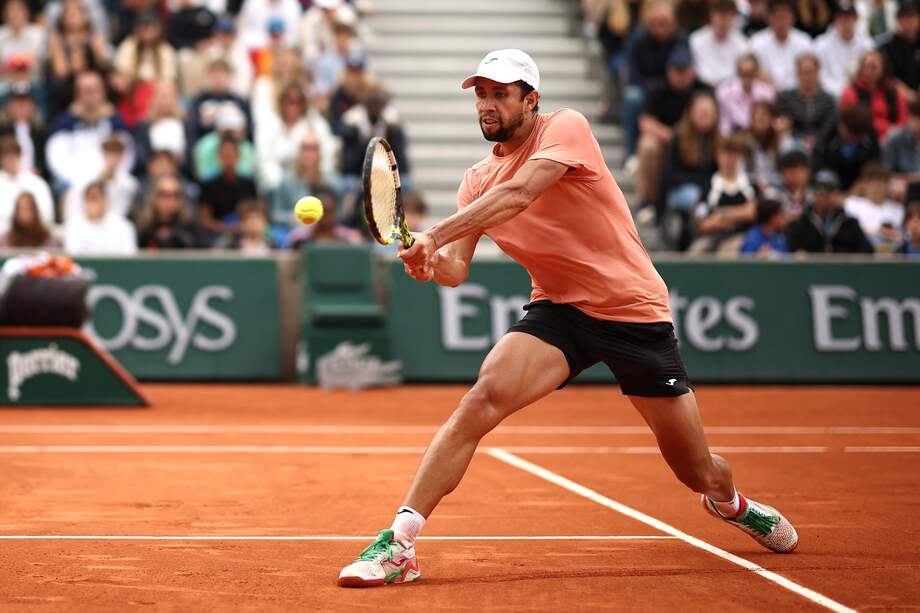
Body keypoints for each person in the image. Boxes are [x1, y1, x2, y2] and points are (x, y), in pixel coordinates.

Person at [337, 49, 799, 587]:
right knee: (478, 402)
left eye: (500, 93)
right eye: (481, 94)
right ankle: (400, 543)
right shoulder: (473, 181)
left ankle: (730, 502)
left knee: (694, 468)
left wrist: (434, 233)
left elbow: (520, 193)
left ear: (530, 100)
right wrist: (429, 262)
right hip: (558, 310)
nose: (487, 104)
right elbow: (456, 270)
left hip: (632, 311)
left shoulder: (567, 128)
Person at [635, 47, 711, 215]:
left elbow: (712, 117)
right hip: (667, 139)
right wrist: (673, 136)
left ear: (693, 70)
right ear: (669, 71)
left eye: (685, 71)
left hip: (696, 141)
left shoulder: (703, 90)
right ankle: (648, 200)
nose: (681, 76)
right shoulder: (657, 89)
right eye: (677, 71)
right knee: (648, 146)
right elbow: (645, 122)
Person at [45, 70, 134, 192]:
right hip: (74, 182)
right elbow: (55, 153)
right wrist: (71, 116)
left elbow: (127, 150)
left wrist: (111, 117)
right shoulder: (65, 123)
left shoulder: (115, 122)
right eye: (87, 91)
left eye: (95, 91)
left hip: (108, 181)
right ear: (77, 95)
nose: (91, 96)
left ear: (103, 92)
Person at [621, 0, 688, 159]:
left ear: (674, 23)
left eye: (666, 23)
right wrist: (651, 89)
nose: (662, 28)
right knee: (632, 97)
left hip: (671, 89)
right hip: (645, 89)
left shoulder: (681, 39)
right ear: (650, 24)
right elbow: (632, 72)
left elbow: (683, 68)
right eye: (658, 23)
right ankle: (632, 154)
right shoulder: (638, 40)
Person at [659, 91, 721, 249]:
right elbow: (669, 175)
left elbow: (717, 175)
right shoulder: (678, 137)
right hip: (680, 191)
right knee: (694, 197)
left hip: (708, 190)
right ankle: (691, 237)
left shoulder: (718, 141)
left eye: (709, 113)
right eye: (701, 113)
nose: (705, 117)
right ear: (691, 113)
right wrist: (699, 185)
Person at [254, 82, 339, 193]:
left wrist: (320, 177)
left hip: (312, 182)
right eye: (289, 101)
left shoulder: (315, 122)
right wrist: (280, 183)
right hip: (276, 184)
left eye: (299, 101)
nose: (294, 106)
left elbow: (328, 151)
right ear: (281, 101)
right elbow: (263, 157)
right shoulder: (269, 124)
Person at [689, 133, 757, 253]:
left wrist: (721, 214)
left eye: (734, 155)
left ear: (740, 157)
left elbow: (752, 212)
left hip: (743, 238)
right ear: (717, 156)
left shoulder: (749, 184)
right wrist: (739, 214)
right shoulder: (709, 186)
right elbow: (703, 224)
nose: (729, 160)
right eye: (725, 154)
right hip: (713, 238)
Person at [111, 11, 177, 128]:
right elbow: (121, 73)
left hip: (157, 95)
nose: (147, 31)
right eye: (144, 27)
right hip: (132, 93)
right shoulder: (129, 46)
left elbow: (168, 79)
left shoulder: (165, 49)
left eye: (151, 27)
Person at [786, 168, 874, 252]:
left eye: (829, 188)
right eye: (818, 188)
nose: (823, 192)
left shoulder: (850, 224)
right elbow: (790, 251)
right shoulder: (801, 223)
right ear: (812, 192)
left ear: (837, 193)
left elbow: (867, 253)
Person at [840, 50, 908, 141]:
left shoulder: (893, 90)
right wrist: (887, 129)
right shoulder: (850, 91)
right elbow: (853, 122)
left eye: (873, 67)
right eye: (865, 67)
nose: (868, 71)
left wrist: (894, 133)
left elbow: (903, 119)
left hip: (894, 139)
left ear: (883, 69)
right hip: (863, 139)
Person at [198, 135, 257, 238]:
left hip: (244, 233)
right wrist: (226, 229)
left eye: (231, 154)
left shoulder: (249, 184)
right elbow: (205, 219)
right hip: (216, 235)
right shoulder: (207, 185)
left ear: (239, 156)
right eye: (225, 155)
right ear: (218, 157)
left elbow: (255, 213)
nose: (228, 158)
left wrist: (244, 227)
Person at [775, 54, 837, 150]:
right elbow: (785, 122)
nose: (807, 77)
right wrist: (802, 140)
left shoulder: (828, 101)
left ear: (817, 73)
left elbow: (829, 126)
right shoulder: (785, 98)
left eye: (811, 72)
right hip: (793, 143)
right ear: (797, 73)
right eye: (804, 72)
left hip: (822, 144)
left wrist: (815, 139)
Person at [749, 0, 814, 92]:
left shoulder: (804, 42)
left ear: (792, 17)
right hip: (766, 96)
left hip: (798, 96)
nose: (781, 21)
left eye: (784, 16)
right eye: (777, 16)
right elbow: (754, 73)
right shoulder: (756, 42)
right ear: (768, 18)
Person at [815, 103, 881, 191]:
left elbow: (874, 167)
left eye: (849, 135)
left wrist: (862, 184)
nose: (841, 130)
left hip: (858, 187)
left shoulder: (871, 139)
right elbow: (817, 165)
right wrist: (824, 188)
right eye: (842, 127)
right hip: (829, 183)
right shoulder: (828, 134)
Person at [814, 1, 873, 98]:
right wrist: (840, 92)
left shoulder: (867, 45)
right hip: (830, 96)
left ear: (856, 19)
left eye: (848, 17)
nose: (845, 21)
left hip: (860, 95)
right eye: (841, 17)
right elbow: (820, 76)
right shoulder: (821, 45)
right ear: (835, 19)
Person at [63, 180, 137, 255]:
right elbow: (72, 254)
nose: (93, 203)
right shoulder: (73, 226)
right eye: (90, 198)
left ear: (106, 200)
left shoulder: (124, 227)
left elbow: (129, 257)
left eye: (97, 198)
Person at [0, 136, 54, 235]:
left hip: (33, 238)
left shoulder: (37, 183)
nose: (10, 159)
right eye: (5, 155)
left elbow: (47, 216)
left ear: (20, 156)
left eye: (14, 154)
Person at [690, 0, 750, 87]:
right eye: (720, 15)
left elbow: (743, 73)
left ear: (734, 17)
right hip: (704, 88)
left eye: (727, 16)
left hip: (732, 91)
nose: (723, 21)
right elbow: (695, 71)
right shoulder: (695, 40)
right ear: (711, 15)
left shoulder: (742, 43)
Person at [843, 162, 905, 248]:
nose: (875, 185)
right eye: (871, 180)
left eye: (880, 180)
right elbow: (849, 233)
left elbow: (903, 236)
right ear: (864, 183)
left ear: (887, 184)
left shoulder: (898, 208)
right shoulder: (851, 204)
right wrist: (878, 232)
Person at [137, 174, 203, 249]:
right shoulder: (143, 229)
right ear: (153, 197)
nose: (170, 201)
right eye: (164, 195)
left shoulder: (191, 230)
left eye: (176, 195)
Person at [716, 53, 775, 135]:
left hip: (760, 135)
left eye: (750, 73)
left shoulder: (767, 93)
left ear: (756, 73)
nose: (747, 77)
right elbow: (725, 124)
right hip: (735, 136)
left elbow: (768, 122)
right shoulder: (725, 92)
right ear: (738, 73)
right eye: (743, 73)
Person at [0, 82, 48, 181]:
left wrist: (38, 171)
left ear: (32, 106)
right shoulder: (2, 132)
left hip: (34, 179)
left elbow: (46, 162)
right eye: (17, 103)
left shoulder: (41, 134)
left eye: (25, 103)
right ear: (9, 106)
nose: (21, 107)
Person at [285, 188, 362, 247]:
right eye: (324, 211)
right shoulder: (298, 239)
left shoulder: (349, 237)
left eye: (330, 211)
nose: (326, 216)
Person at [876, 0, 920, 101]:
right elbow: (889, 78)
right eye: (903, 17)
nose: (908, 21)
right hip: (900, 99)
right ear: (897, 20)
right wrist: (910, 95)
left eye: (912, 16)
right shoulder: (888, 48)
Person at [0, 0, 46, 81]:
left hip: (33, 81)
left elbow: (39, 63)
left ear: (26, 13)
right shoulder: (1, 34)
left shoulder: (38, 33)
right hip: (6, 81)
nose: (15, 14)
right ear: (4, 15)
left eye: (19, 10)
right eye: (11, 10)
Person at [774, 148, 813, 218]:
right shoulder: (773, 195)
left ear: (807, 171)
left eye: (794, 172)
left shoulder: (815, 194)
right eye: (784, 173)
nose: (789, 177)